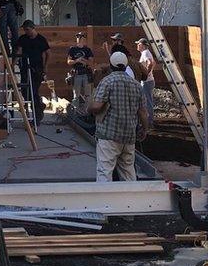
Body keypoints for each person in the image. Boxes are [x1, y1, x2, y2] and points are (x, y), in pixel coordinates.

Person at [88, 52, 148, 182]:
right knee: (128, 171)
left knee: (105, 170)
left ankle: (105, 201)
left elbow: (97, 107)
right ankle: (131, 200)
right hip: (129, 135)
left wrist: (90, 108)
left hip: (108, 135)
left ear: (111, 65)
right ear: (125, 65)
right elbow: (143, 112)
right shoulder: (136, 85)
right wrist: (145, 129)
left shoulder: (107, 81)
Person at [14, 20, 50, 124]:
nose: (26, 32)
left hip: (37, 69)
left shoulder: (41, 39)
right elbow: (19, 51)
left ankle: (37, 116)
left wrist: (45, 67)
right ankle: (39, 104)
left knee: (33, 91)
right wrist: (12, 64)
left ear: (33, 28)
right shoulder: (23, 39)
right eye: (25, 30)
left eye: (27, 30)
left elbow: (48, 53)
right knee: (25, 91)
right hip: (25, 68)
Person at [66, 32, 94, 115]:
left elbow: (91, 62)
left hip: (86, 73)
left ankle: (87, 112)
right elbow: (68, 61)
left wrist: (84, 60)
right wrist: (76, 60)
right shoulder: (72, 49)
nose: (78, 38)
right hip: (77, 74)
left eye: (80, 37)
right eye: (77, 36)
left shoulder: (87, 50)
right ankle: (75, 112)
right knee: (76, 95)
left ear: (84, 39)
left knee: (88, 95)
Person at [136, 38, 156, 127]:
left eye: (139, 44)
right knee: (147, 100)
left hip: (147, 81)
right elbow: (153, 63)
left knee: (147, 101)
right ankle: (148, 120)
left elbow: (150, 63)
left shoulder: (145, 53)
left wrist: (146, 74)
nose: (137, 46)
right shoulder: (146, 53)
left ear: (143, 45)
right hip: (148, 80)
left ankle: (149, 121)